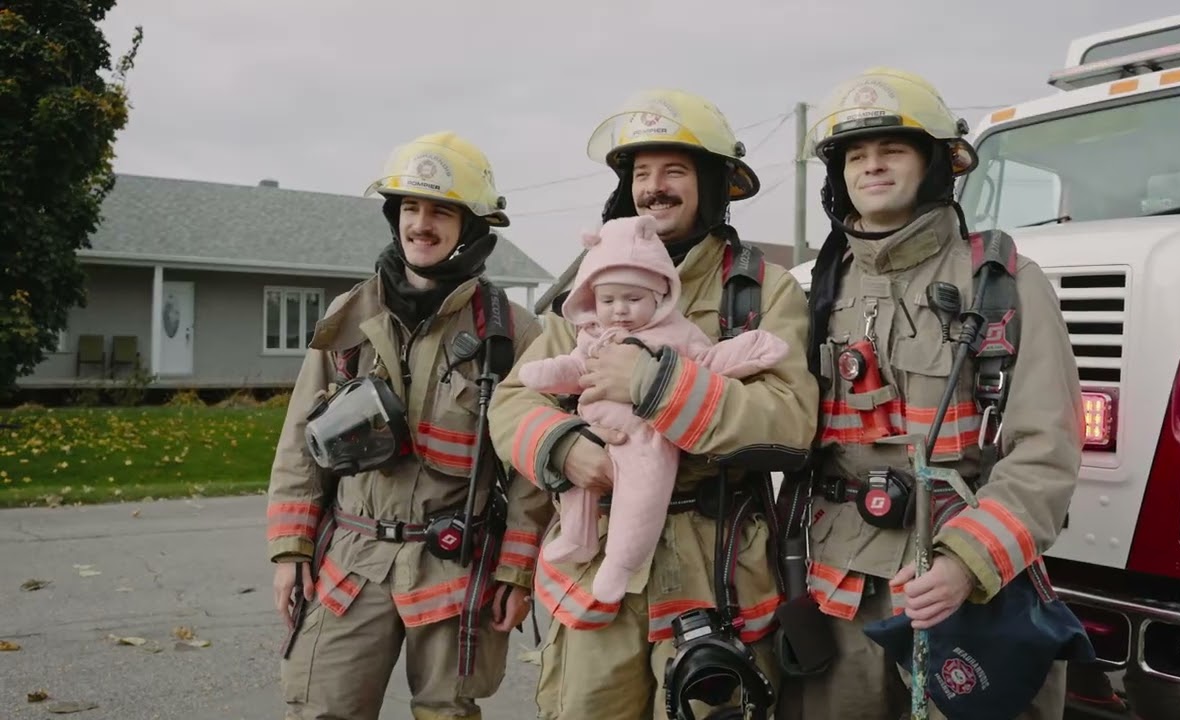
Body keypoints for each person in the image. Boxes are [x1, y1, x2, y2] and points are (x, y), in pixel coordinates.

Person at [486, 88, 820, 719]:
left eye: (674, 171)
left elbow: (790, 423)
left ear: (712, 183)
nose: (654, 188)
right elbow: (513, 401)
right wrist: (565, 449)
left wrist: (657, 386)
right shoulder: (591, 282)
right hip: (597, 564)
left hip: (715, 571)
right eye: (641, 173)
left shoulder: (760, 291)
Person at [775, 67, 1085, 720]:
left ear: (935, 164)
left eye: (892, 149)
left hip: (963, 588)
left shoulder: (1003, 283)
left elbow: (1046, 450)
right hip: (836, 590)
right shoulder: (815, 290)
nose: (872, 165)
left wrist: (965, 563)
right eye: (855, 155)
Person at [264, 131, 551, 720]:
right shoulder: (349, 316)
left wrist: (516, 571)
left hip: (456, 565)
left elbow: (529, 472)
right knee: (323, 708)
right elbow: (300, 441)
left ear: (471, 225)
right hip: (350, 561)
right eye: (410, 208)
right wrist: (290, 549)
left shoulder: (514, 334)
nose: (421, 224)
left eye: (440, 211)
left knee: (447, 713)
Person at [518, 213, 789, 603]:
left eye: (633, 300)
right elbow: (561, 375)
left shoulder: (692, 323)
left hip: (647, 439)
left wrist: (746, 350)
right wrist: (562, 440)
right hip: (592, 431)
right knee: (576, 487)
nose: (620, 310)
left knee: (641, 496)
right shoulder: (589, 332)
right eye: (607, 301)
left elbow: (710, 362)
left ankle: (621, 561)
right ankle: (578, 536)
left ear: (659, 296)